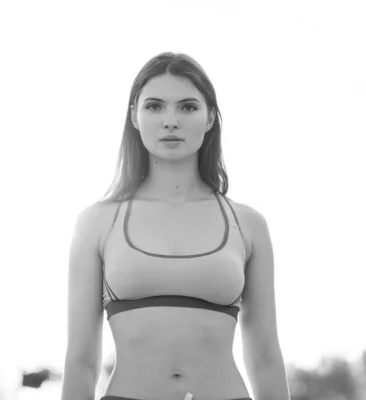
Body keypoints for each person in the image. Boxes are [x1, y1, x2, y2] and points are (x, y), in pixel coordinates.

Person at [61, 52, 290, 400]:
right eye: (154, 107)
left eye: (187, 107)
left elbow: (265, 358)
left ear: (210, 117)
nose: (170, 121)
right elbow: (81, 361)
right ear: (134, 117)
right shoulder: (97, 222)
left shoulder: (248, 224)